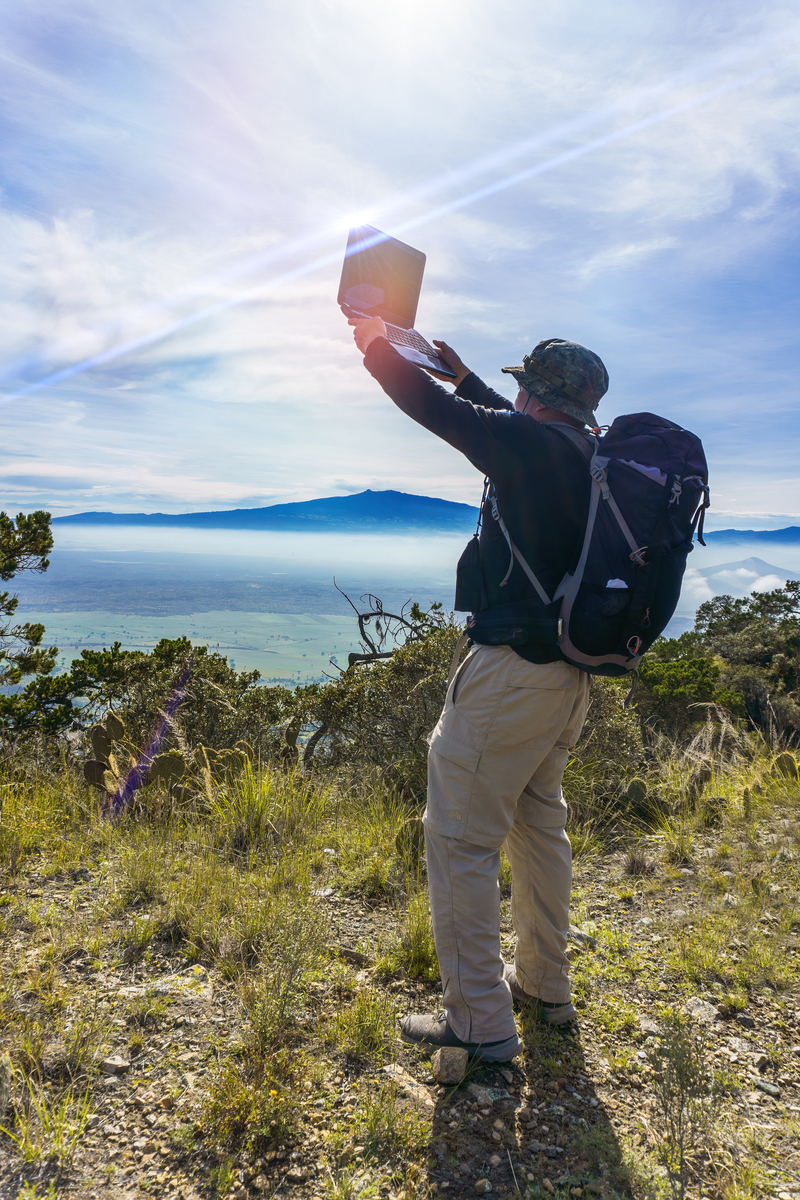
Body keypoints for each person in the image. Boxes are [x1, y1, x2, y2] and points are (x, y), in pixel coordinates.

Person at [349, 314, 609, 1062]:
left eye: (522, 388)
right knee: (538, 822)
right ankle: (543, 985)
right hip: (567, 676)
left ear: (535, 395)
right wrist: (466, 378)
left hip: (507, 678)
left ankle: (479, 1024)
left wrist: (372, 343)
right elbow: (500, 420)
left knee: (459, 839)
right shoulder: (585, 453)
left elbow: (436, 413)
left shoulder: (528, 446)